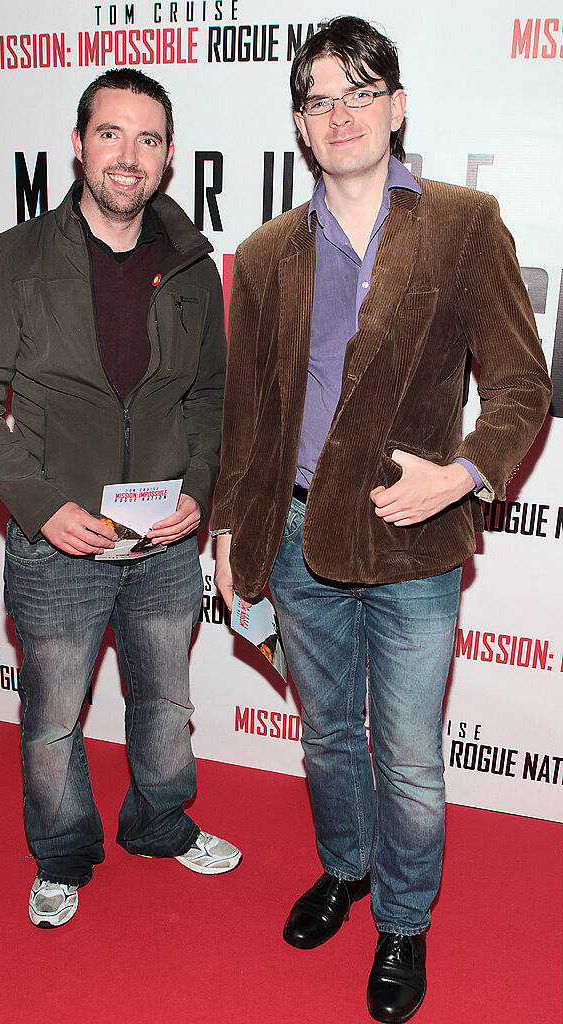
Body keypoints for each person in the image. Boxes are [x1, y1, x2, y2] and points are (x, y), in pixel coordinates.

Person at [211, 16, 550, 1022]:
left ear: (397, 107)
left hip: (413, 541)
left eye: (359, 91)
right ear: (301, 127)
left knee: (406, 751)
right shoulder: (268, 250)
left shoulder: (461, 221)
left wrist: (463, 475)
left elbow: (523, 384)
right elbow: (250, 413)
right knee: (325, 739)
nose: (341, 112)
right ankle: (345, 869)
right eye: (319, 98)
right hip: (298, 538)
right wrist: (232, 528)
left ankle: (403, 922)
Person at [0, 68, 240, 929]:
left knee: (167, 701)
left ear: (169, 159)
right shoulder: (18, 257)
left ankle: (160, 822)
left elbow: (210, 396)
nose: (129, 156)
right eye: (111, 134)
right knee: (50, 722)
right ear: (78, 145)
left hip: (160, 541)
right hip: (57, 544)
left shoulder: (192, 265)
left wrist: (197, 489)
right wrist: (40, 506)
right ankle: (64, 853)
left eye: (148, 140)